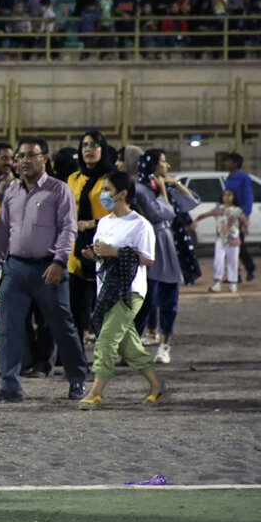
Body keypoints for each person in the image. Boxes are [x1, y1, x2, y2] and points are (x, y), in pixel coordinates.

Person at [0, 138, 90, 403]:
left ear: (44, 158)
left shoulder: (58, 190)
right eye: (20, 156)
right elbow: (3, 234)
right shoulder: (11, 193)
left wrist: (59, 261)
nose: (24, 161)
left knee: (62, 325)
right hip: (15, 268)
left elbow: (68, 228)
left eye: (31, 155)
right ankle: (10, 386)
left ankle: (77, 379)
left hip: (48, 269)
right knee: (8, 327)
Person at [77, 170, 167, 409]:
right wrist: (92, 255)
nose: (103, 194)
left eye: (107, 190)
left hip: (129, 292)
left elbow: (148, 259)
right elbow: (102, 254)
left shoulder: (140, 225)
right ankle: (156, 386)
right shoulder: (105, 222)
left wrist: (114, 252)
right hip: (106, 290)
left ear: (123, 193)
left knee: (106, 341)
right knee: (128, 345)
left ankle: (96, 392)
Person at [133, 148, 197, 365]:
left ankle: (165, 344)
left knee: (169, 297)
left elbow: (191, 203)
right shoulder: (139, 189)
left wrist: (175, 184)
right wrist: (163, 194)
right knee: (146, 298)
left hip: (169, 244)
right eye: (163, 162)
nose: (166, 166)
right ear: (151, 165)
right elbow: (159, 213)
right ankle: (134, 344)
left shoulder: (163, 186)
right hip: (150, 243)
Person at [66, 131, 116, 339]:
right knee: (75, 306)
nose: (89, 149)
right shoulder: (73, 178)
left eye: (95, 145)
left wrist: (91, 224)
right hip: (76, 249)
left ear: (103, 149)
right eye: (85, 145)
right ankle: (75, 357)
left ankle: (108, 355)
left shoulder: (111, 179)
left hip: (103, 245)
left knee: (105, 307)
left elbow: (120, 213)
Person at [198, 189, 247, 293]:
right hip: (221, 239)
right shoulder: (218, 209)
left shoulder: (236, 210)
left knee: (232, 261)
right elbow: (205, 215)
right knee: (218, 261)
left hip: (233, 239)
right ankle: (217, 282)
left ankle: (233, 283)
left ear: (233, 198)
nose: (226, 197)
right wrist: (196, 220)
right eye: (225, 195)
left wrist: (244, 226)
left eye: (229, 195)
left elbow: (245, 220)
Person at [223, 153, 254, 281]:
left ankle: (250, 268)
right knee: (229, 246)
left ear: (235, 163)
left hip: (239, 215)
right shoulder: (228, 178)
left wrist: (244, 217)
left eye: (228, 161)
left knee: (238, 246)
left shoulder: (243, 178)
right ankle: (235, 275)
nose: (226, 163)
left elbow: (248, 199)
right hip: (229, 215)